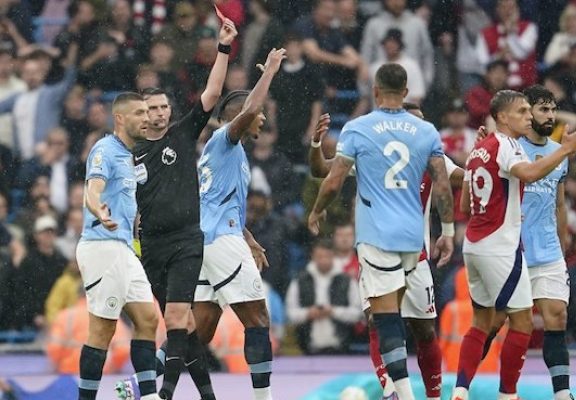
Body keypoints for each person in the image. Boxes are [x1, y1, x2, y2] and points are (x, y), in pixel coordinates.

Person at [308, 63, 455, 400]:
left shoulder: (360, 130)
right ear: (406, 93)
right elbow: (446, 184)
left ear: (374, 90)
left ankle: (404, 395)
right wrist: (448, 231)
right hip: (413, 242)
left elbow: (330, 182)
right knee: (414, 328)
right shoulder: (427, 132)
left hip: (377, 237)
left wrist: (316, 211)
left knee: (386, 320)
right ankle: (399, 393)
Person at [118, 17, 237, 400]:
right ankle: (208, 395)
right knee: (183, 326)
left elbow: (213, 90)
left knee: (173, 320)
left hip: (187, 241)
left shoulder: (183, 133)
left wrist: (223, 47)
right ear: (141, 114)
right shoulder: (128, 153)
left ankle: (163, 395)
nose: (160, 114)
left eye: (165, 107)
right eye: (152, 109)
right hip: (150, 247)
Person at [454, 90, 576, 400]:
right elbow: (526, 173)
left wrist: (563, 245)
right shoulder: (511, 146)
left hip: (545, 249)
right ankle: (492, 391)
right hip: (511, 248)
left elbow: (559, 204)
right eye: (535, 110)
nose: (542, 116)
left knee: (556, 316)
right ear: (510, 116)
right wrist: (565, 150)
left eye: (549, 110)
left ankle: (562, 395)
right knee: (502, 322)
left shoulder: (544, 151)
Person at [193, 48, 288, 400]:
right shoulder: (223, 141)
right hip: (220, 242)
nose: (262, 118)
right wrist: (271, 72)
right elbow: (248, 109)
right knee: (258, 320)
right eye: (260, 113)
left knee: (197, 332)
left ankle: (150, 388)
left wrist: (248, 236)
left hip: (208, 240)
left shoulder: (228, 154)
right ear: (238, 116)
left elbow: (217, 203)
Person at [75, 92, 160, 400]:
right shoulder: (104, 150)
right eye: (139, 113)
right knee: (102, 331)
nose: (147, 118)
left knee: (148, 320)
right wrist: (98, 210)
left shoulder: (130, 155)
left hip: (123, 249)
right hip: (102, 247)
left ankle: (148, 395)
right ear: (120, 118)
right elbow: (92, 189)